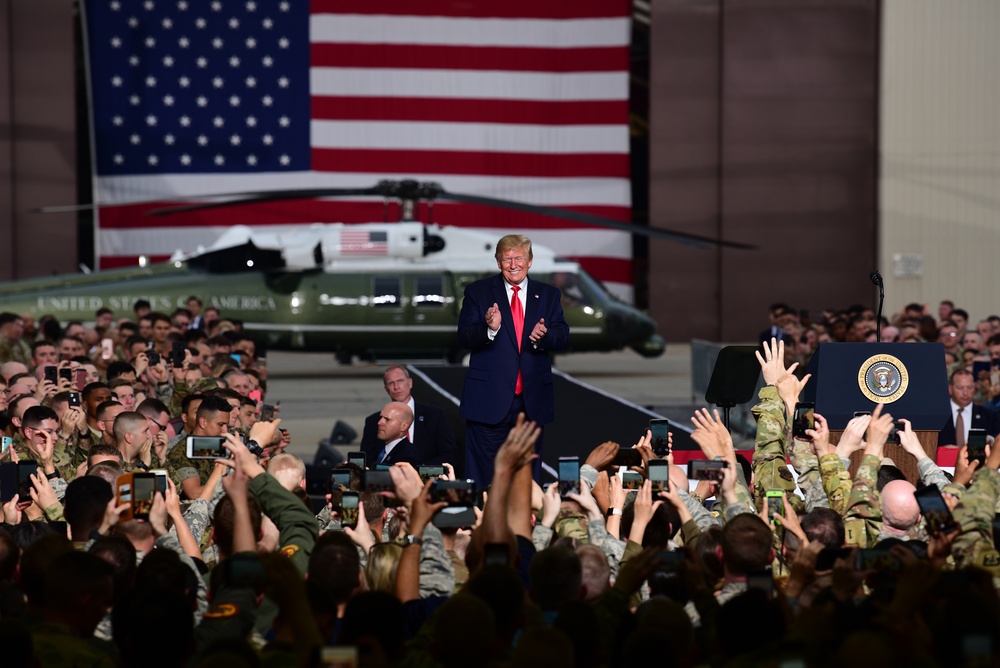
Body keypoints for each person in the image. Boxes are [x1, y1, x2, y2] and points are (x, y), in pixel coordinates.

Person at [457, 234, 569, 484]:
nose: (513, 264)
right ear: (498, 262)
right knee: (485, 472)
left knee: (527, 472)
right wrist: (489, 329)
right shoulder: (478, 291)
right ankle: (483, 519)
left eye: (519, 258)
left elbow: (562, 335)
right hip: (489, 399)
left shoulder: (549, 295)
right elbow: (464, 336)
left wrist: (546, 336)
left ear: (530, 261)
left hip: (531, 402)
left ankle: (526, 520)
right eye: (506, 259)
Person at [359, 365, 457, 466]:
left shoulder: (435, 415)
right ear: (386, 389)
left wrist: (420, 471)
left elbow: (449, 454)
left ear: (410, 383)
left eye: (400, 381)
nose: (396, 387)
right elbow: (367, 460)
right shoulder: (374, 421)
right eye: (391, 383)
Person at [939, 367, 1000, 447]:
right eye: (960, 388)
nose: (965, 393)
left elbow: (996, 437)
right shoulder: (939, 415)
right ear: (950, 389)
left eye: (970, 388)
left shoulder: (990, 415)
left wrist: (989, 440)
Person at [361, 402, 420, 466]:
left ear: (403, 426)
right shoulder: (385, 449)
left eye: (387, 419)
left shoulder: (406, 458)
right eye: (381, 417)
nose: (379, 422)